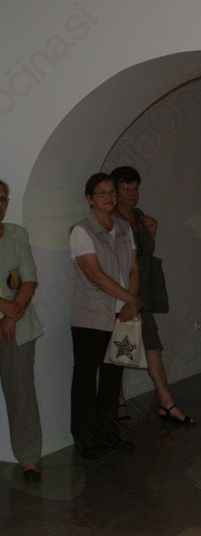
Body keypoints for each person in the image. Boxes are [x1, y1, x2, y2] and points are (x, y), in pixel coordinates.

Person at [110, 166, 195, 425]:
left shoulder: (139, 217)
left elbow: (146, 251)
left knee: (153, 347)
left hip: (142, 295)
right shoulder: (112, 220)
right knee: (119, 348)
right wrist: (126, 297)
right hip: (122, 294)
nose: (132, 194)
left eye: (135, 188)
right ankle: (119, 401)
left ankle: (166, 403)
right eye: (126, 189)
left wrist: (152, 233)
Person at [69, 172, 141, 458]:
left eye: (112, 192)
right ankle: (87, 440)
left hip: (122, 315)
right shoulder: (81, 231)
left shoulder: (124, 227)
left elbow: (133, 268)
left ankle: (109, 434)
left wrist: (130, 304)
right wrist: (131, 299)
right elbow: (96, 276)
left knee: (112, 378)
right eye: (102, 193)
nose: (109, 197)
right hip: (91, 317)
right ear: (89, 199)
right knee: (86, 379)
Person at [0, 179, 44, 481]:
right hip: (10, 313)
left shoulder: (17, 234)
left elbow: (29, 278)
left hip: (18, 326)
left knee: (22, 394)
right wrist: (5, 306)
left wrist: (13, 314)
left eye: (3, 199)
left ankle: (29, 459)